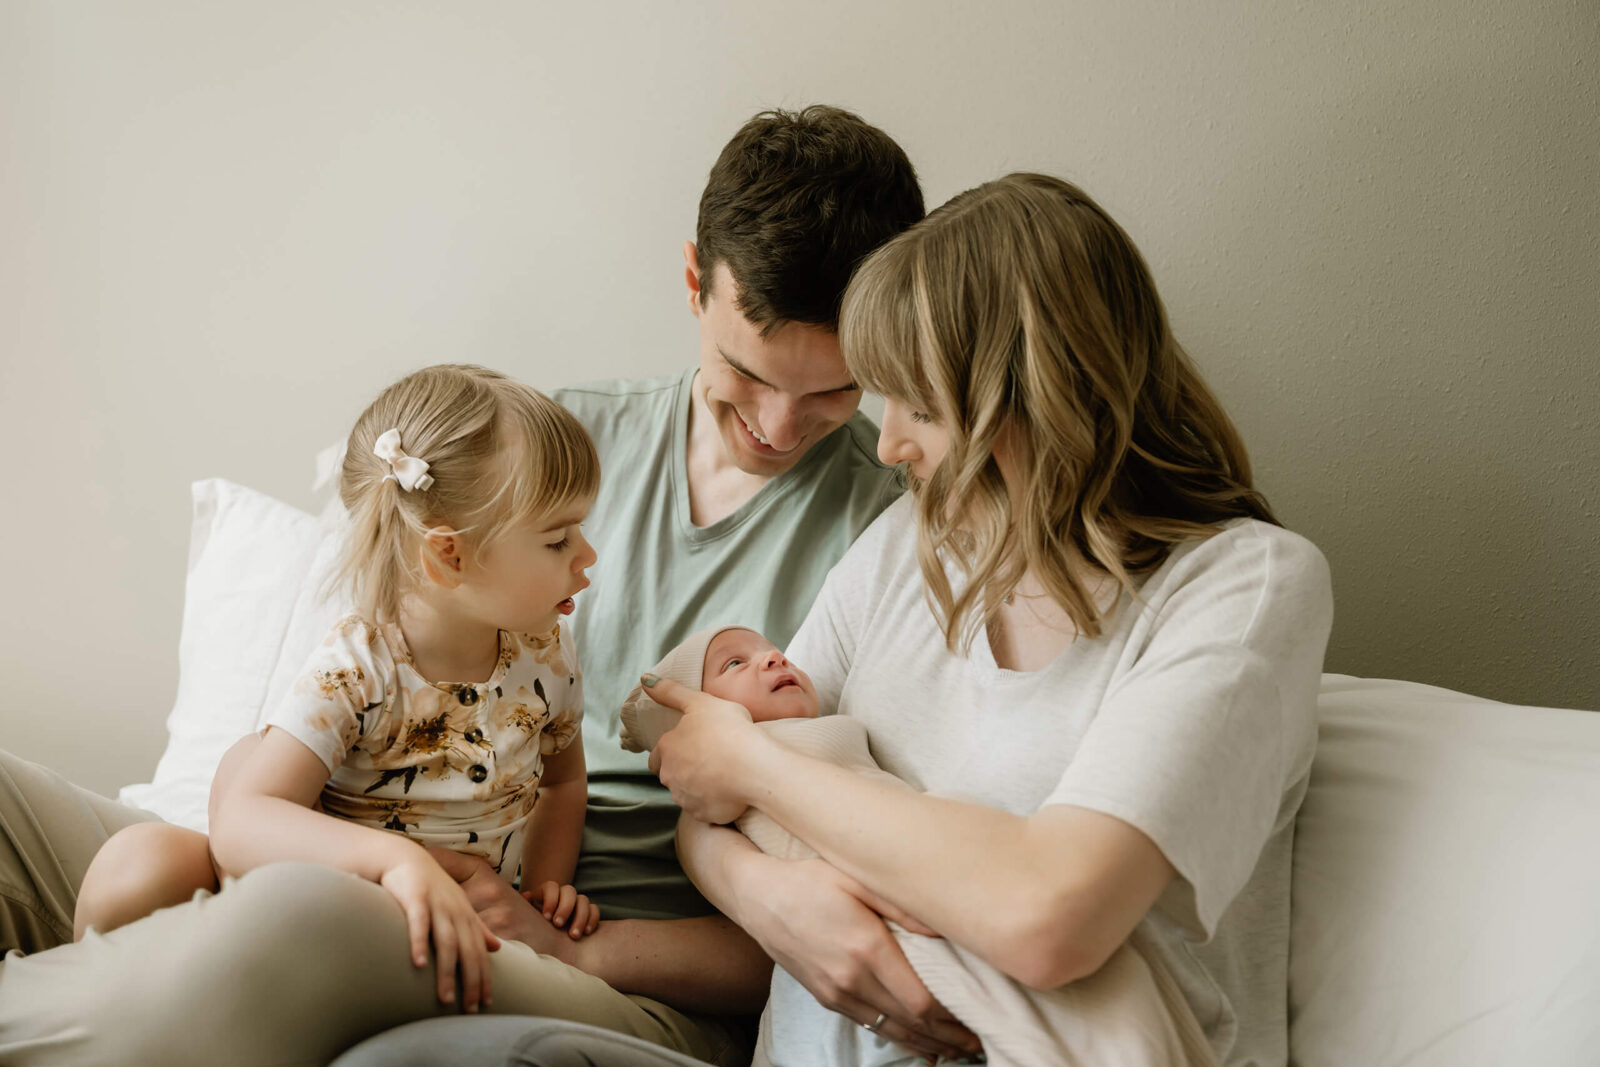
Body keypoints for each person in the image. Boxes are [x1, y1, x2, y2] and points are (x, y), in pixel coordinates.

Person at [0, 105, 940, 1067]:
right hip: (371, 864)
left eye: (833, 392)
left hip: (613, 973)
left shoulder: (895, 540)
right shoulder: (548, 449)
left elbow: (841, 920)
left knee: (302, 915)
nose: (781, 427)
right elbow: (354, 703)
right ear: (696, 282)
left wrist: (580, 937)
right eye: (747, 373)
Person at [644, 173, 1335, 1067]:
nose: (889, 444)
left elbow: (1050, 917)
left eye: (920, 406)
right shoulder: (907, 545)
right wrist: (771, 899)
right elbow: (709, 800)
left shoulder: (1244, 588)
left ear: (1042, 396)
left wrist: (746, 761)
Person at [72, 364, 602, 1014]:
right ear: (450, 556)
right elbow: (243, 818)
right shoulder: (360, 668)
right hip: (311, 903)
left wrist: (544, 893)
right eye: (558, 538)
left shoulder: (547, 653)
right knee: (139, 865)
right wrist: (397, 862)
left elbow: (561, 782)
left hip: (419, 940)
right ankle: (101, 1009)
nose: (588, 555)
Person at [622, 626, 1216, 1066]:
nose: (775, 655)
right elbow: (701, 816)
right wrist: (752, 871)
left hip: (948, 902)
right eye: (734, 663)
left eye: (768, 649)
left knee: (1111, 994)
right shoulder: (762, 751)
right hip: (873, 941)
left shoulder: (795, 738)